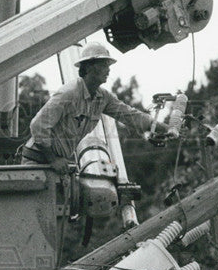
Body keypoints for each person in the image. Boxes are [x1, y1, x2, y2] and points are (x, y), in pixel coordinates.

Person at [20, 42, 162, 173]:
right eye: (103, 65)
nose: (108, 70)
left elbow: (132, 116)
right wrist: (53, 160)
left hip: (55, 164)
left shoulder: (103, 98)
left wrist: (164, 128)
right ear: (88, 67)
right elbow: (38, 126)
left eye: (108, 66)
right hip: (37, 161)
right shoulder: (69, 93)